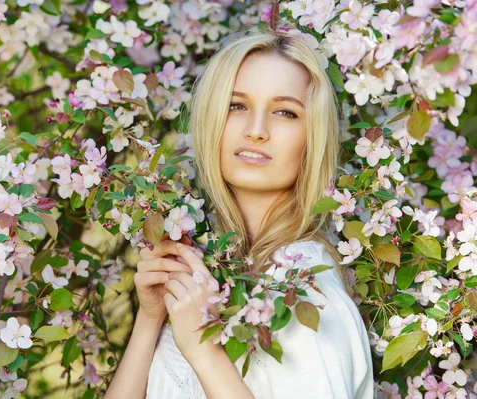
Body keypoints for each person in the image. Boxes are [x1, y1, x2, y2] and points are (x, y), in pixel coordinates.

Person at [104, 26, 374, 399]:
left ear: (313, 137)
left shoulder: (306, 295)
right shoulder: (211, 272)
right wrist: (151, 320)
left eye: (285, 112)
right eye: (237, 105)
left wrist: (204, 351)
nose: (256, 130)